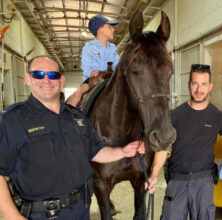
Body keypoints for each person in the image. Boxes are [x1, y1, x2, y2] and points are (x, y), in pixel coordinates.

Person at [0, 55, 144, 220]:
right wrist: (13, 217)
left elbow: (96, 152)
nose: (46, 80)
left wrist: (123, 151)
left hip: (80, 210)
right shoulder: (12, 120)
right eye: (39, 75)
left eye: (53, 75)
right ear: (28, 79)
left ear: (62, 80)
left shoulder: (77, 117)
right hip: (40, 214)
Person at [145, 64, 222, 220]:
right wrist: (154, 174)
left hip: (204, 183)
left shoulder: (218, 116)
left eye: (203, 84)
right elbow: (162, 148)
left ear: (210, 87)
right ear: (189, 85)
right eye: (195, 83)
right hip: (177, 182)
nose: (199, 89)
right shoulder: (174, 115)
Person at [67, 14, 120, 107]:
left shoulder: (113, 48)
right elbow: (85, 67)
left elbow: (118, 66)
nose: (113, 29)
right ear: (100, 30)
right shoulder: (88, 47)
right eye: (109, 27)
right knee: (77, 93)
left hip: (111, 78)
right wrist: (91, 72)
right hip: (93, 79)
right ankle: (68, 117)